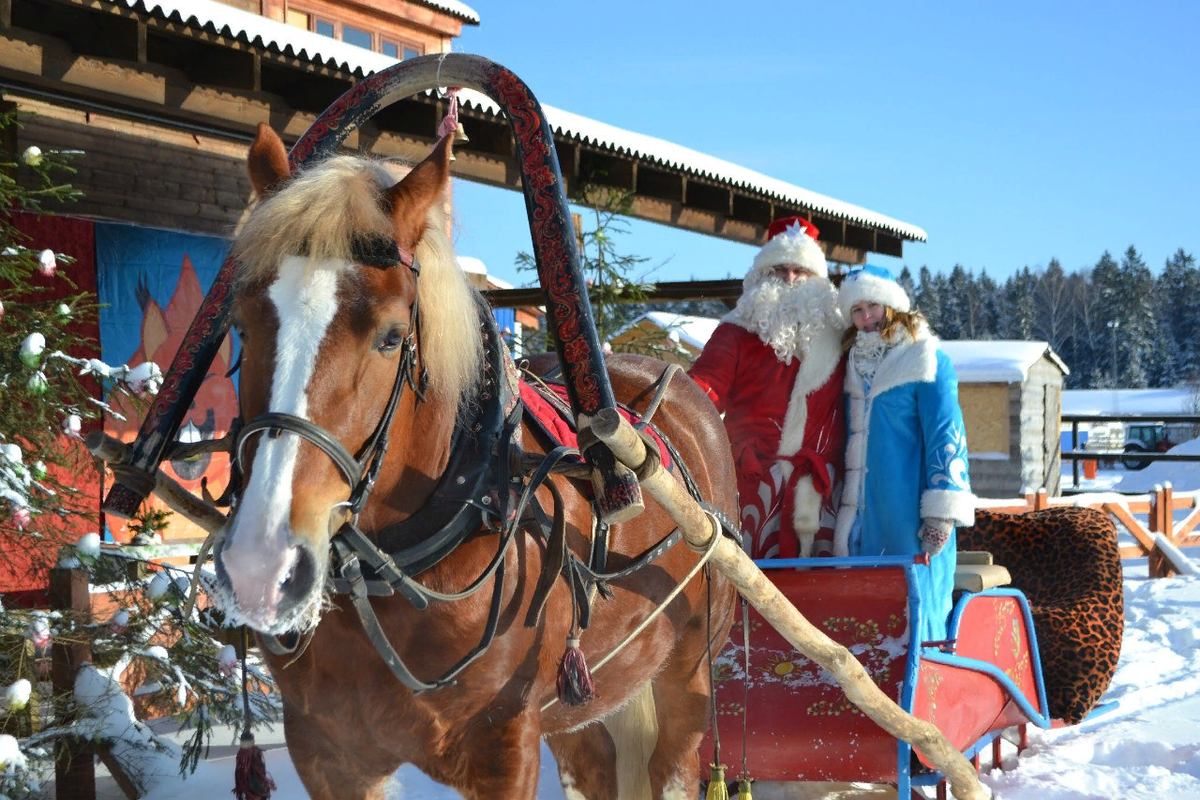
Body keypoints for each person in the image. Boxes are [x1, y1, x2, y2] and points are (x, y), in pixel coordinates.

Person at [688, 217, 846, 559]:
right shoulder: (734, 333)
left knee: (827, 594)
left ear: (816, 280)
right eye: (779, 270)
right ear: (762, 275)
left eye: (799, 271)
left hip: (824, 489)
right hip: (753, 480)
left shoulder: (840, 337)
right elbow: (702, 390)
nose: (789, 279)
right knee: (748, 587)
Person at [833, 264, 974, 643]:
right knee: (865, 618)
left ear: (892, 307)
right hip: (861, 516)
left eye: (873, 307)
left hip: (908, 516)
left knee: (916, 613)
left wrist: (941, 515)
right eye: (857, 310)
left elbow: (948, 435)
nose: (866, 318)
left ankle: (929, 682)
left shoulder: (926, 359)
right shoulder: (849, 366)